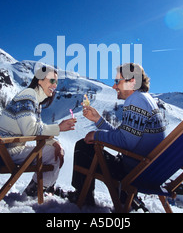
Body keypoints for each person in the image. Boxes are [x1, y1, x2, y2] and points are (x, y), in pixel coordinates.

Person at [70, 63, 167, 208]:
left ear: (132, 82)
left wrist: (96, 136)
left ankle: (82, 197)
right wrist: (98, 120)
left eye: (117, 81)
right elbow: (123, 135)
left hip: (131, 173)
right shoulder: (145, 99)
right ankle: (123, 196)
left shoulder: (136, 100)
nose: (114, 86)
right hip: (144, 169)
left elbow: (125, 142)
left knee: (83, 147)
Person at [0, 64, 76, 196]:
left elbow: (37, 129)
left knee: (54, 150)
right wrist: (59, 128)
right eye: (52, 80)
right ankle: (37, 191)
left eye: (56, 82)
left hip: (5, 147)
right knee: (53, 155)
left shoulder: (34, 100)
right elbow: (30, 129)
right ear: (39, 80)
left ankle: (41, 187)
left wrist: (54, 142)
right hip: (6, 150)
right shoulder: (28, 95)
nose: (55, 85)